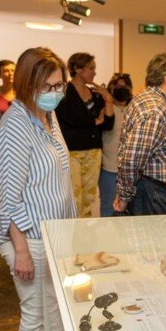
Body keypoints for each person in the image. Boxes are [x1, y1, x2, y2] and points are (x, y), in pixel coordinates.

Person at [0, 47, 76, 331]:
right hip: (28, 237)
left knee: (51, 313)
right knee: (35, 317)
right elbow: (9, 196)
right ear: (28, 84)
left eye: (60, 85)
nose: (56, 92)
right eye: (49, 85)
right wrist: (21, 250)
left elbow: (59, 179)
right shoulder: (14, 125)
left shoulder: (47, 116)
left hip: (53, 235)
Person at [114, 52, 166, 215]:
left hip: (159, 195)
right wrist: (124, 197)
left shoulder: (155, 102)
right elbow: (132, 160)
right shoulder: (155, 110)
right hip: (159, 197)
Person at [56, 52, 114, 218]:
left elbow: (108, 124)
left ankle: (84, 236)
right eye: (91, 68)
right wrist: (96, 120)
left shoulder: (95, 94)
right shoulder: (64, 92)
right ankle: (72, 237)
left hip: (94, 151)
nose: (94, 72)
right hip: (72, 152)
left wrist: (108, 99)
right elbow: (73, 120)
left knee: (89, 199)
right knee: (74, 198)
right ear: (77, 69)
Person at [99, 72, 133, 217]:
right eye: (118, 86)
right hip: (109, 169)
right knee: (108, 207)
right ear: (111, 88)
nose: (122, 89)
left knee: (129, 209)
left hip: (130, 170)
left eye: (125, 87)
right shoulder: (105, 109)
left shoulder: (134, 110)